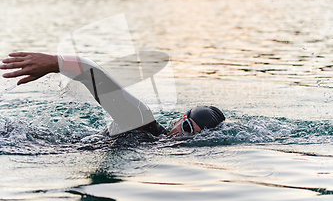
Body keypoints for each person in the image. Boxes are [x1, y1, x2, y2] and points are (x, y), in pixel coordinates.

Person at [0, 52, 225, 137]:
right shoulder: (143, 120)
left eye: (195, 137)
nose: (184, 138)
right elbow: (92, 74)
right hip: (37, 146)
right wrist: (54, 63)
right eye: (186, 128)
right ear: (178, 120)